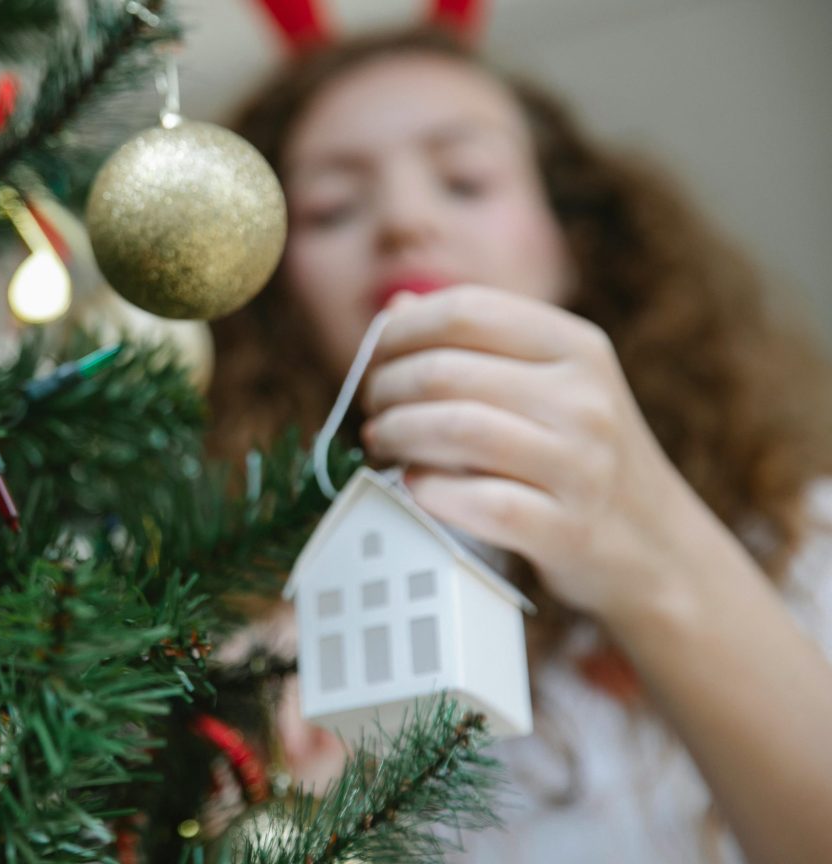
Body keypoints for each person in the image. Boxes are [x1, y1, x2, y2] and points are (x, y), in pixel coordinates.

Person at [208, 26, 832, 864]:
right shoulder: (232, 627)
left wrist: (658, 553)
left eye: (464, 181)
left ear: (573, 240)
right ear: (279, 293)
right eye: (331, 208)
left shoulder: (799, 542)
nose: (403, 220)